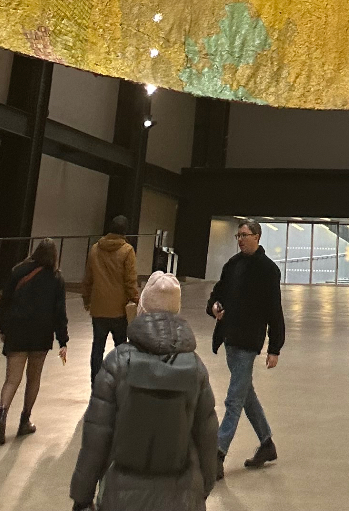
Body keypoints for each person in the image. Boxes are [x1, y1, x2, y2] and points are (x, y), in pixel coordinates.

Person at [68, 271, 218, 511]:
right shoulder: (195, 369)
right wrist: (201, 490)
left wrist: (82, 497)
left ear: (142, 309)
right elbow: (208, 438)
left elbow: (96, 438)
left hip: (121, 497)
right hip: (181, 498)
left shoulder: (117, 363)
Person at [208, 218, 285, 473]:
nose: (240, 239)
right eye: (238, 235)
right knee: (245, 394)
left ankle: (217, 455)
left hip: (248, 342)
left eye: (244, 234)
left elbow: (275, 311)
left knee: (233, 399)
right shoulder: (233, 265)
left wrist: (275, 347)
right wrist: (215, 306)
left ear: (257, 236)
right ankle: (266, 443)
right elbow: (218, 293)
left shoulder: (268, 270)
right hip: (230, 338)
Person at [0, 238, 68, 443]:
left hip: (16, 332)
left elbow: (4, 302)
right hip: (40, 334)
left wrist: (2, 327)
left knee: (11, 379)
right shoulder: (56, 278)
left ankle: (2, 416)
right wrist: (63, 340)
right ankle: (24, 421)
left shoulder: (18, 272)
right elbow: (59, 312)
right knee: (33, 379)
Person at [83, 218, 141, 382]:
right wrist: (136, 300)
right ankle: (121, 381)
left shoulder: (95, 249)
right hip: (119, 310)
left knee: (97, 347)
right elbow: (130, 281)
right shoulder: (127, 250)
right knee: (121, 348)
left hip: (98, 307)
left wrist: (87, 300)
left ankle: (95, 381)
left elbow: (88, 278)